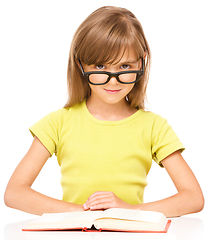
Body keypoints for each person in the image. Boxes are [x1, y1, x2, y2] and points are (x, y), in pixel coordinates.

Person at [4, 6, 204, 217]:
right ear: (81, 65)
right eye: (100, 66)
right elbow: (14, 193)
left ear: (142, 61)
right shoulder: (58, 123)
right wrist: (83, 212)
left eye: (125, 66)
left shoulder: (154, 127)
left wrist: (129, 211)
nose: (113, 79)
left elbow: (193, 197)